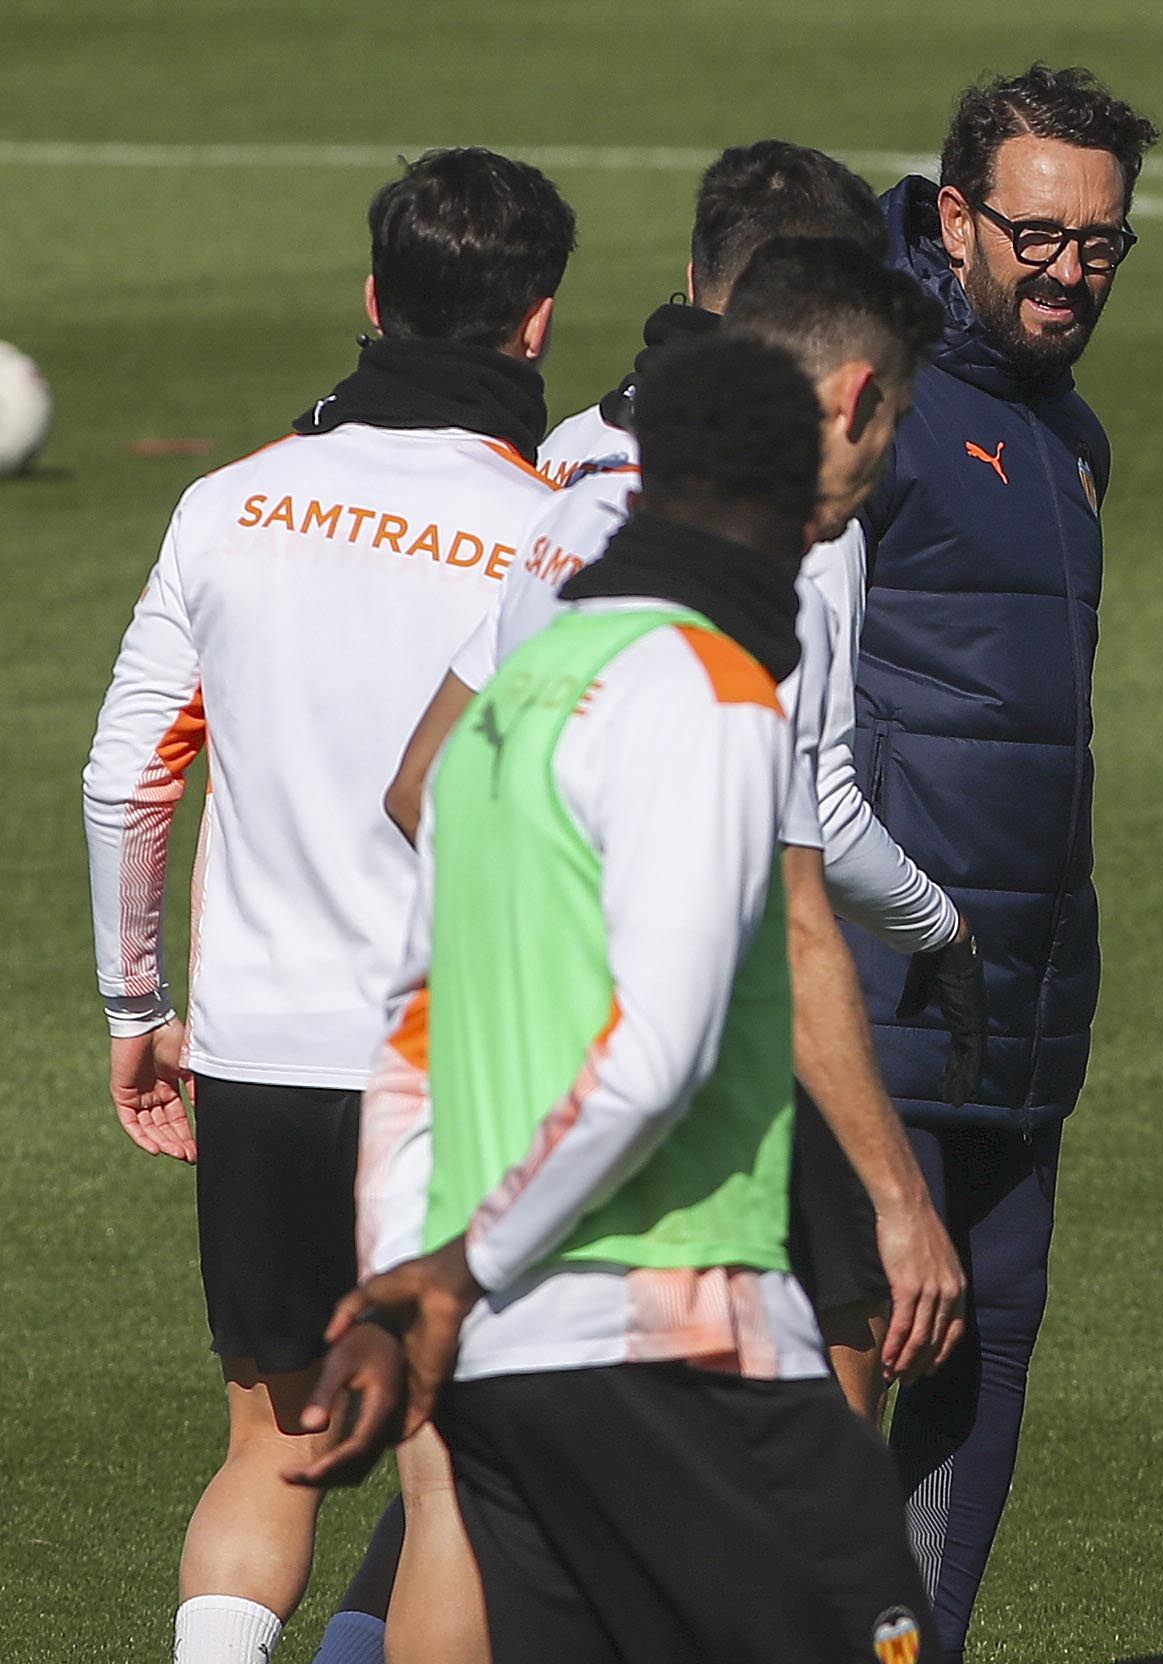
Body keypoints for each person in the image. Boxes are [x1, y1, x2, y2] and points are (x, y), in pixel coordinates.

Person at [289, 332, 938, 1664]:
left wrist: (405, 1291)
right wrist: (451, 1273)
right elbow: (656, 1052)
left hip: (505, 1377)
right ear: (826, 444)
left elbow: (414, 1039)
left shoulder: (514, 702)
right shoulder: (709, 687)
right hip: (678, 1346)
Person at [387, 145, 981, 1414]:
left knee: (480, 1533)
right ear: (848, 392)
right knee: (830, 1541)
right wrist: (897, 1185)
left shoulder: (565, 492)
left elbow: (421, 790)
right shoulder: (743, 639)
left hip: (480, 1124)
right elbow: (788, 895)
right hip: (668, 1209)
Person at [81, 147, 575, 1664]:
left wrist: (136, 1006)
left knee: (275, 1439)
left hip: (261, 1059)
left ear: (371, 301)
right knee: (449, 1483)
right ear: (540, 324)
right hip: (448, 1073)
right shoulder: (543, 530)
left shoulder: (226, 505)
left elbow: (126, 778)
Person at [846, 66, 1160, 1661]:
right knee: (832, 1361)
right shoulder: (864, 393)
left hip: (1022, 989)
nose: (1068, 271)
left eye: (1101, 244)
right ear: (956, 216)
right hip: (873, 979)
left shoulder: (1072, 436)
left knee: (990, 1349)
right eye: (1036, 234)